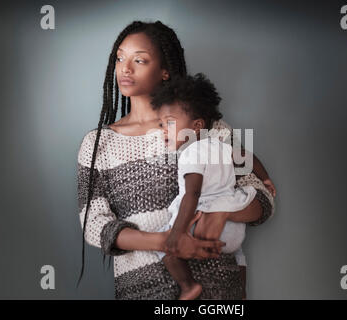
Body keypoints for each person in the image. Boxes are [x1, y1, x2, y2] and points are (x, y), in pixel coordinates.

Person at [76, 20, 276, 299]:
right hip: (141, 292)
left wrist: (222, 213)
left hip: (215, 290)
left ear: (165, 71)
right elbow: (93, 223)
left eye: (140, 60)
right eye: (120, 57)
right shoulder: (98, 144)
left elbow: (263, 199)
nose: (125, 68)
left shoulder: (204, 128)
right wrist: (167, 242)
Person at [151, 73, 273, 300]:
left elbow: (192, 193)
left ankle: (188, 286)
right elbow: (247, 157)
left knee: (164, 249)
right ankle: (242, 294)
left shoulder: (191, 153)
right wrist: (265, 179)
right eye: (160, 124)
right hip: (232, 226)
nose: (162, 130)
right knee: (237, 252)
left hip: (204, 223)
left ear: (196, 126)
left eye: (168, 123)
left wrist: (177, 233)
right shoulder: (220, 145)